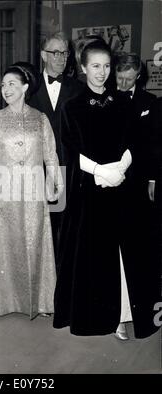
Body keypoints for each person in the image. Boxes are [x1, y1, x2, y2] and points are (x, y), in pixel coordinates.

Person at [53, 39, 161, 339]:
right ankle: (101, 317)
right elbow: (69, 149)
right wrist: (101, 171)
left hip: (122, 189)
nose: (102, 73)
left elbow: (133, 142)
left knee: (124, 253)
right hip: (89, 192)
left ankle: (124, 314)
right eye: (96, 66)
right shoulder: (71, 106)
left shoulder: (123, 103)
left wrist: (120, 170)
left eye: (106, 66)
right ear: (84, 68)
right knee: (94, 256)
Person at [0, 64, 63, 319]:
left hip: (35, 192)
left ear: (25, 87)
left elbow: (50, 154)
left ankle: (40, 301)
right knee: (5, 245)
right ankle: (2, 302)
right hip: (4, 192)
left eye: (11, 84)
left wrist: (57, 184)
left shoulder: (41, 119)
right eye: (3, 85)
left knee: (35, 243)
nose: (6, 89)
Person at [113, 52, 159, 339]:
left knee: (139, 248)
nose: (122, 83)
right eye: (119, 77)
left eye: (129, 79)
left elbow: (155, 144)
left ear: (138, 77)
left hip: (138, 184)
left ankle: (141, 311)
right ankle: (116, 314)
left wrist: (153, 177)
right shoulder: (103, 99)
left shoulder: (150, 103)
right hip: (110, 181)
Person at [28, 31, 83, 259]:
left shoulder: (78, 89)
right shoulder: (28, 87)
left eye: (65, 53)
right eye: (56, 52)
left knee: (64, 227)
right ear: (43, 55)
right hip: (34, 169)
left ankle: (61, 281)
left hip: (67, 169)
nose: (62, 58)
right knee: (37, 227)